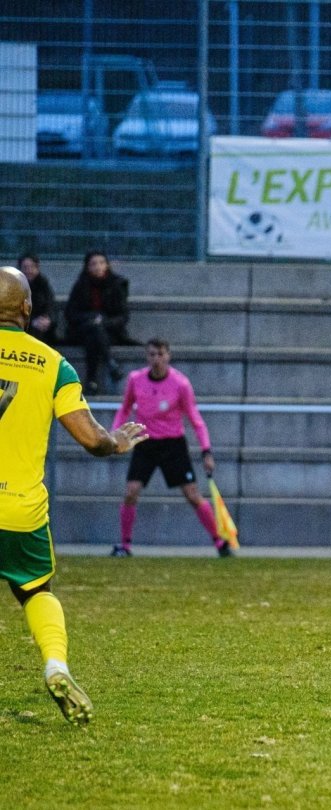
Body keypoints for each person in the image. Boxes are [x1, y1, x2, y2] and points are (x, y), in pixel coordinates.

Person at [0, 265, 147, 724]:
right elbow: (91, 438)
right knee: (37, 590)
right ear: (27, 308)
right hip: (20, 508)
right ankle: (56, 665)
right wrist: (118, 440)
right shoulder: (51, 363)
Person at [112, 338, 230, 558]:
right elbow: (124, 409)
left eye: (160, 354)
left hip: (173, 444)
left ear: (168, 356)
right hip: (145, 442)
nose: (156, 359)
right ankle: (125, 546)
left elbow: (195, 418)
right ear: (147, 357)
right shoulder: (136, 380)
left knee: (193, 495)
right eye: (151, 355)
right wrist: (113, 434)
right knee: (131, 492)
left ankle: (219, 543)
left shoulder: (180, 384)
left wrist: (206, 451)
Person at [64, 250, 137, 395]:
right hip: (83, 330)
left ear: (107, 265)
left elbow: (123, 316)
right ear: (87, 267)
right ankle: (110, 363)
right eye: (93, 264)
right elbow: (70, 314)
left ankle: (91, 380)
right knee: (93, 331)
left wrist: (103, 322)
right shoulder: (80, 285)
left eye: (101, 263)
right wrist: (91, 319)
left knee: (95, 335)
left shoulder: (117, 284)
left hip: (110, 331)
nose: (98, 267)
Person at [17, 252, 58, 346]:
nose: (29, 270)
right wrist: (32, 322)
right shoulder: (15, 285)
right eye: (25, 267)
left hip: (43, 326)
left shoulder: (44, 284)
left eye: (32, 267)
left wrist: (48, 319)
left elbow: (50, 305)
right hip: (22, 326)